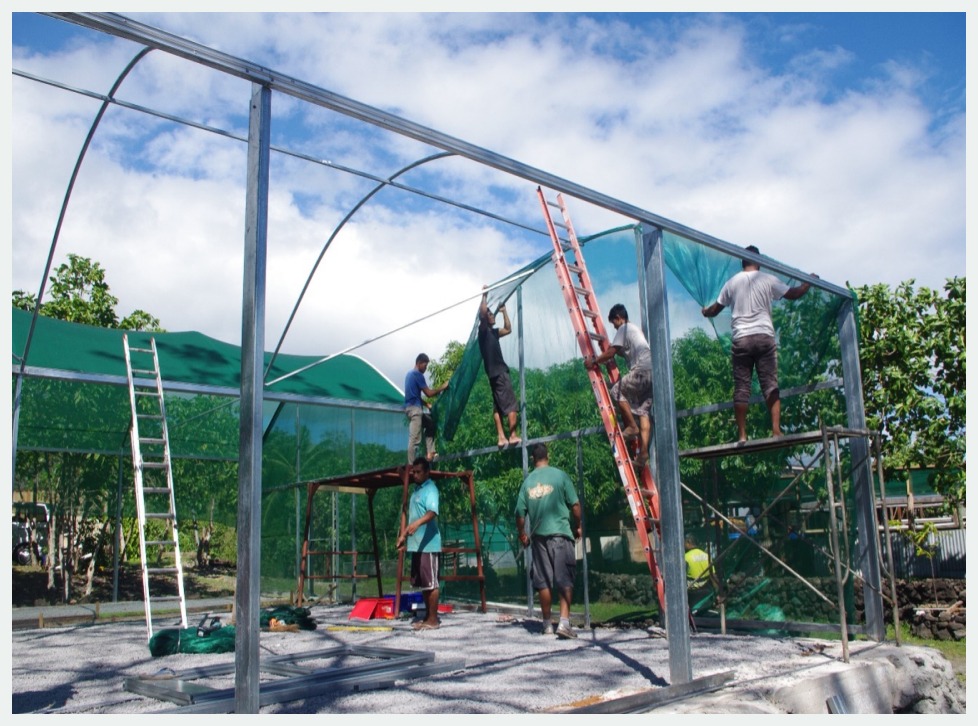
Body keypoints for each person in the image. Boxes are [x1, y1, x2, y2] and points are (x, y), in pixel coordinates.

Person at [701, 245, 816, 442]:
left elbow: (715, 309)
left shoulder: (732, 283)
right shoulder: (768, 280)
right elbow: (794, 294)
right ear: (759, 262)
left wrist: (705, 312)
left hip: (741, 339)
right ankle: (776, 430)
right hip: (763, 337)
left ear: (742, 262)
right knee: (770, 384)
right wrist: (809, 282)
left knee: (742, 388)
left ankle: (742, 435)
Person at [514, 443, 582, 639]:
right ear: (547, 456)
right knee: (565, 579)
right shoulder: (560, 476)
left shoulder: (527, 483)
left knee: (543, 582)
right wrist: (578, 526)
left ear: (533, 459)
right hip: (560, 534)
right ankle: (564, 623)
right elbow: (575, 506)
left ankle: (546, 625)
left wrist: (522, 534)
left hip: (539, 539)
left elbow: (519, 513)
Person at [584, 303, 652, 467]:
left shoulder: (624, 328)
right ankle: (643, 455)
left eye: (614, 324)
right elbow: (622, 351)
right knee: (643, 412)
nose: (615, 328)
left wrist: (594, 360)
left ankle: (631, 426)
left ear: (619, 318)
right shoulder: (635, 331)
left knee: (615, 391)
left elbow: (612, 351)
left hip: (641, 369)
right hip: (652, 372)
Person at [396, 456, 442, 630]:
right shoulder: (416, 491)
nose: (415, 475)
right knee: (424, 583)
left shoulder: (431, 489)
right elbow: (412, 519)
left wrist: (416, 524)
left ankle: (433, 619)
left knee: (431, 583)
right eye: (413, 472)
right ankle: (428, 617)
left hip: (429, 545)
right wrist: (403, 535)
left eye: (418, 472)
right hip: (416, 545)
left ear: (427, 472)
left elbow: (432, 512)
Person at [478, 287, 521, 448]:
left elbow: (508, 329)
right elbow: (482, 314)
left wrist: (504, 312)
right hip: (500, 373)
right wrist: (484, 296)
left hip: (493, 375)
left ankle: (501, 438)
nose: (492, 315)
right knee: (511, 404)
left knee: (497, 406)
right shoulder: (483, 332)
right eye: (491, 314)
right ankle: (512, 435)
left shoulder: (494, 332)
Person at [404, 353, 448, 462]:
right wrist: (443, 387)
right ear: (419, 363)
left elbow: (415, 395)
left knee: (430, 423)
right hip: (415, 411)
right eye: (425, 365)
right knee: (415, 439)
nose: (426, 368)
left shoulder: (408, 375)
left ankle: (430, 453)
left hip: (411, 408)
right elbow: (429, 393)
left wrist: (427, 404)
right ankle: (411, 465)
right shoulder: (417, 374)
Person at [684, 534, 717, 612]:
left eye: (684, 542)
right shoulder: (706, 556)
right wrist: (716, 592)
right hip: (707, 592)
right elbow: (713, 575)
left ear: (688, 542)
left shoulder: (686, 557)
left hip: (692, 594)